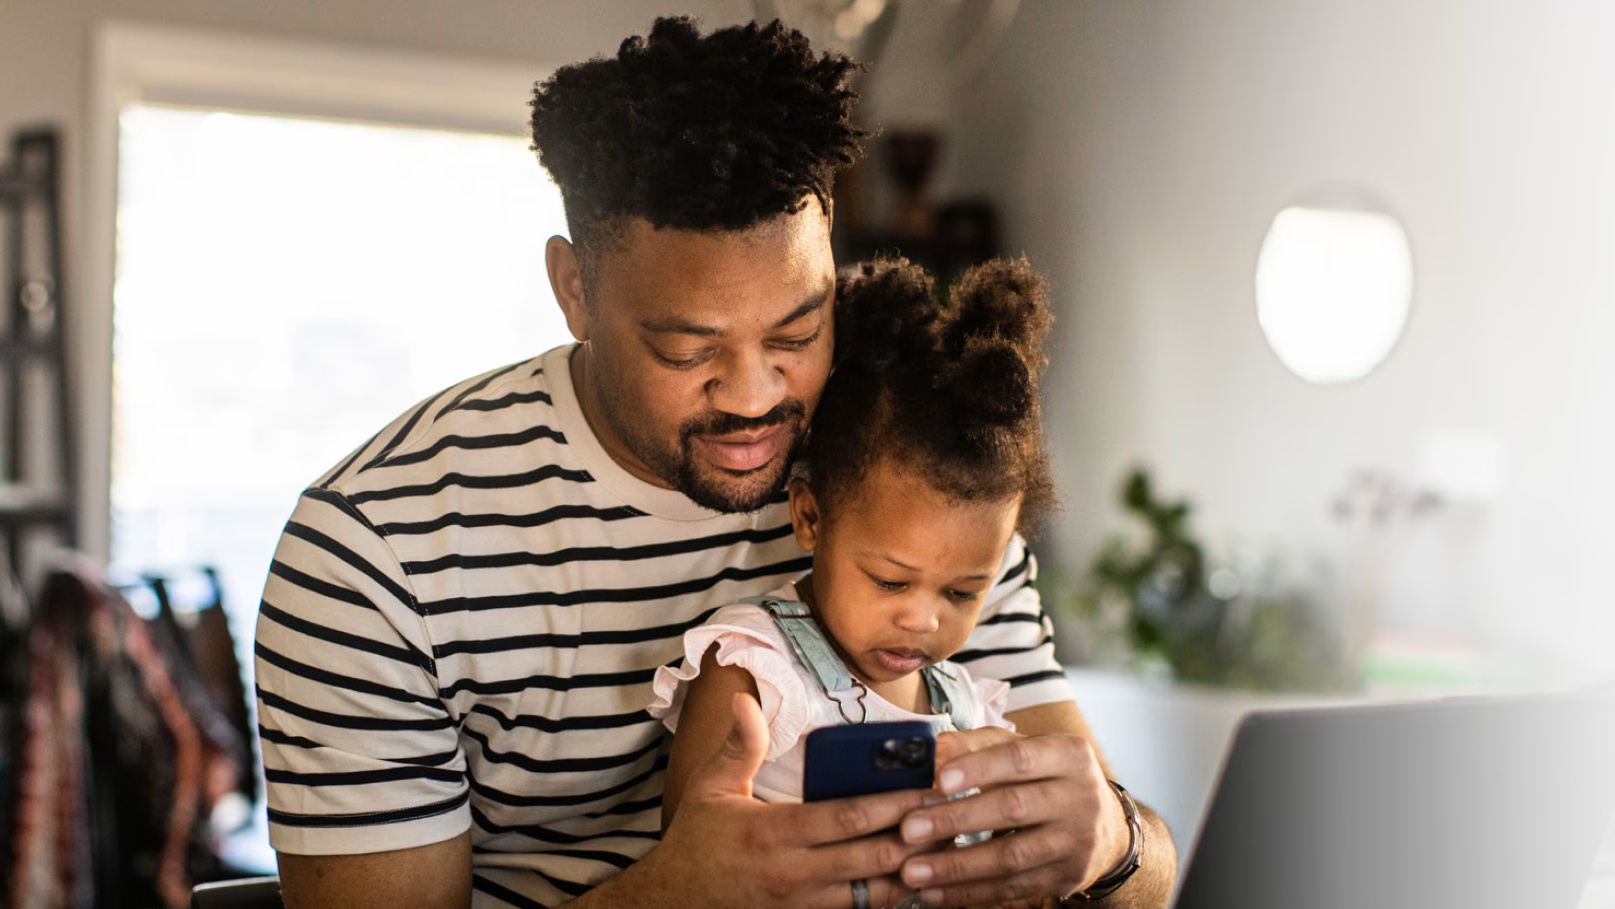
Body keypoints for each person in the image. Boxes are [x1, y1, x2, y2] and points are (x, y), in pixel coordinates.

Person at [253, 16, 1176, 909]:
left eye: (796, 330)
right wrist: (668, 899)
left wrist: (1105, 843)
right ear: (574, 290)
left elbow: (1140, 873)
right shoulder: (376, 555)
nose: (750, 395)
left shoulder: (905, 476)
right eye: (686, 348)